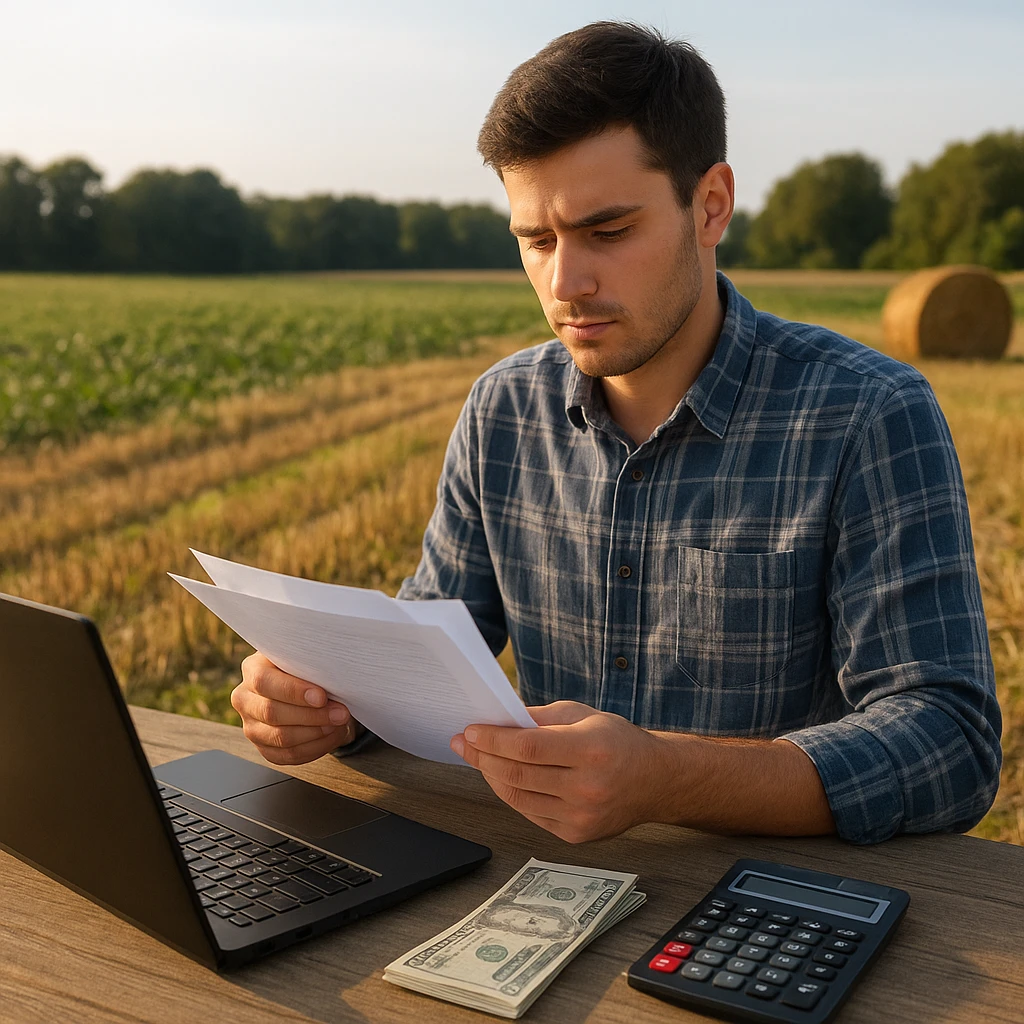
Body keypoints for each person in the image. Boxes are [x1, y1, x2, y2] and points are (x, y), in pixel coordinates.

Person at [230, 21, 1002, 845]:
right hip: (533, 879)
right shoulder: (502, 411)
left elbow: (949, 742)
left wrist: (667, 777)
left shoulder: (869, 414)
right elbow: (429, 656)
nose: (567, 282)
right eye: (536, 240)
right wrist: (330, 705)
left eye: (608, 231)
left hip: (769, 908)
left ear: (710, 206)